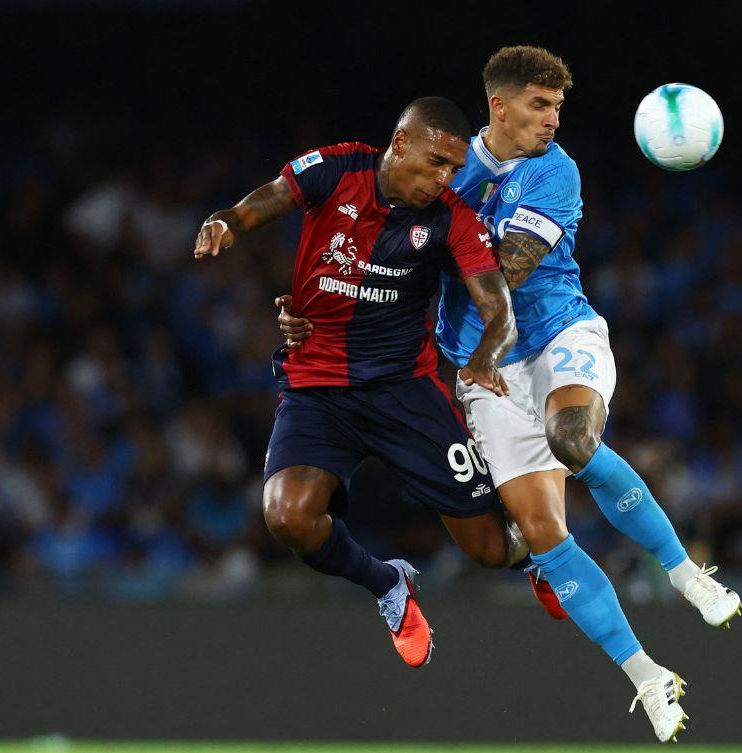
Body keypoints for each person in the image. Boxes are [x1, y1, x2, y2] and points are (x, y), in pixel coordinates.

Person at [280, 48, 741, 742]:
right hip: (480, 369)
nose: (553, 120)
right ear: (499, 106)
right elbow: (375, 240)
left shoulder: (555, 172)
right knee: (542, 536)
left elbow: (506, 273)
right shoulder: (446, 168)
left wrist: (418, 247)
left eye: (558, 108)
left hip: (556, 335)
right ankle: (648, 677)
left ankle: (683, 573)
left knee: (573, 439)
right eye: (539, 106)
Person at [194, 97, 523, 670]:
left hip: (404, 392)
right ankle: (389, 586)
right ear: (400, 144)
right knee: (287, 516)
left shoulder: (450, 218)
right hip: (319, 388)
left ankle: (544, 554)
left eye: (453, 168)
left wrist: (483, 358)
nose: (444, 179)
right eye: (436, 163)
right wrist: (227, 221)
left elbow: (500, 311)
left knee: (492, 551)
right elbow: (269, 198)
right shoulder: (338, 168)